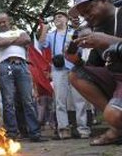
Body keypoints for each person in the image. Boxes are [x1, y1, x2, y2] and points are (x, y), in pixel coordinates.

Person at [67, 0, 122, 146]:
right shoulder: (97, 29)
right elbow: (92, 66)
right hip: (116, 79)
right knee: (76, 74)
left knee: (114, 115)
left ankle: (116, 124)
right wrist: (75, 60)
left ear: (104, 0)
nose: (87, 16)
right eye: (83, 14)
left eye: (89, 9)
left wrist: (107, 40)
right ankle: (117, 127)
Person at [0, 12, 43, 142]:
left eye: (4, 21)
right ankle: (12, 133)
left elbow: (27, 40)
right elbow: (0, 42)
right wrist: (15, 40)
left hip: (22, 65)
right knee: (8, 101)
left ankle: (34, 133)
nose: (3, 24)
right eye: (0, 22)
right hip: (5, 65)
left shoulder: (21, 31)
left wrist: (8, 41)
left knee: (28, 100)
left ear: (9, 21)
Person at [38, 11, 91, 139]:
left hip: (74, 68)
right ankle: (63, 130)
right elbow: (41, 45)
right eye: (55, 17)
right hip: (58, 70)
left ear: (66, 20)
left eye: (60, 16)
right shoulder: (51, 35)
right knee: (60, 101)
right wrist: (44, 29)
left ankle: (83, 129)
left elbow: (82, 48)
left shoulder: (74, 33)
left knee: (79, 100)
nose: (57, 19)